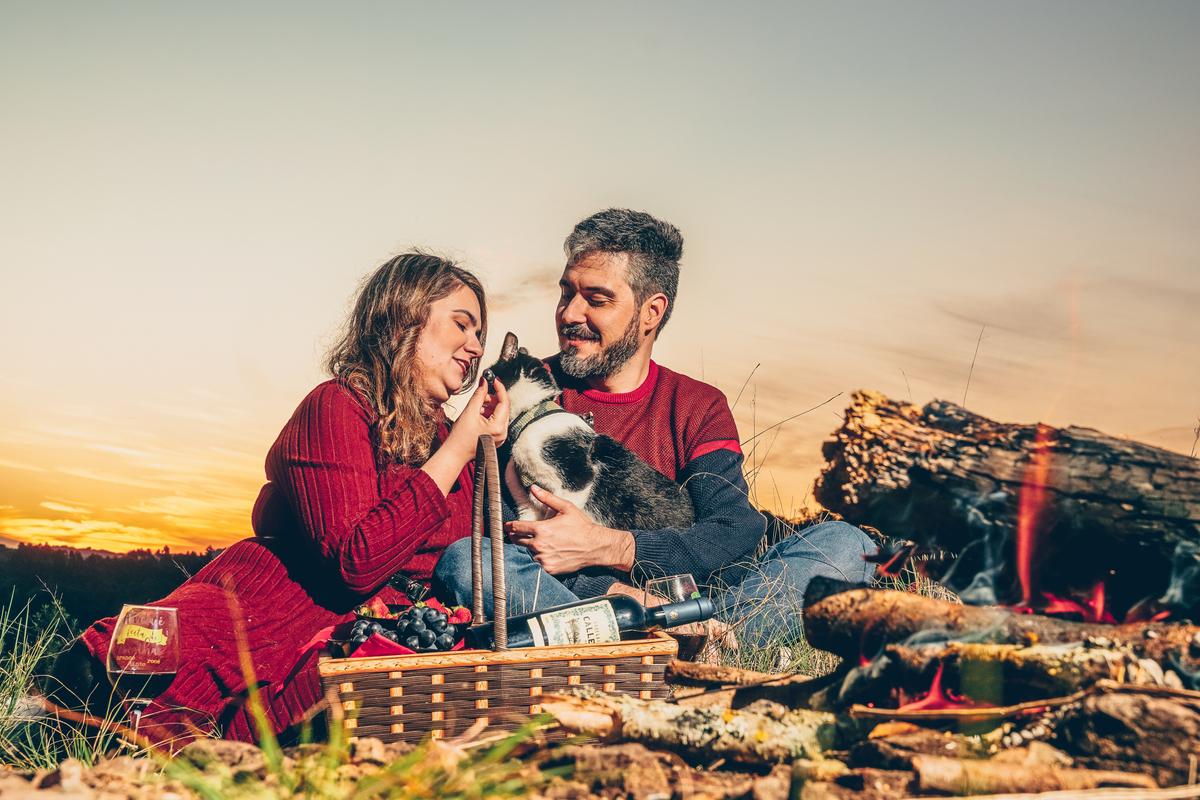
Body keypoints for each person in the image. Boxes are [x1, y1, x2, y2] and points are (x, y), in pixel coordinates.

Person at [51, 252, 509, 745]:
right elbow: (357, 562)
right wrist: (460, 450)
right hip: (273, 608)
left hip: (369, 641)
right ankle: (52, 722)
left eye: (480, 333)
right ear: (403, 321)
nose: (475, 345)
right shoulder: (339, 406)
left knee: (269, 745)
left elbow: (477, 570)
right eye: (462, 325)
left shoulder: (456, 443)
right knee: (123, 687)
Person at [434, 209, 877, 647]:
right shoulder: (521, 393)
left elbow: (734, 531)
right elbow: (506, 535)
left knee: (844, 545)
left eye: (597, 298)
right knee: (466, 563)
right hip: (586, 601)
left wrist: (611, 547)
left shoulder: (698, 405)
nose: (570, 313)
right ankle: (684, 646)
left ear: (651, 312)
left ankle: (694, 643)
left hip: (707, 600)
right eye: (566, 293)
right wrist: (628, 601)